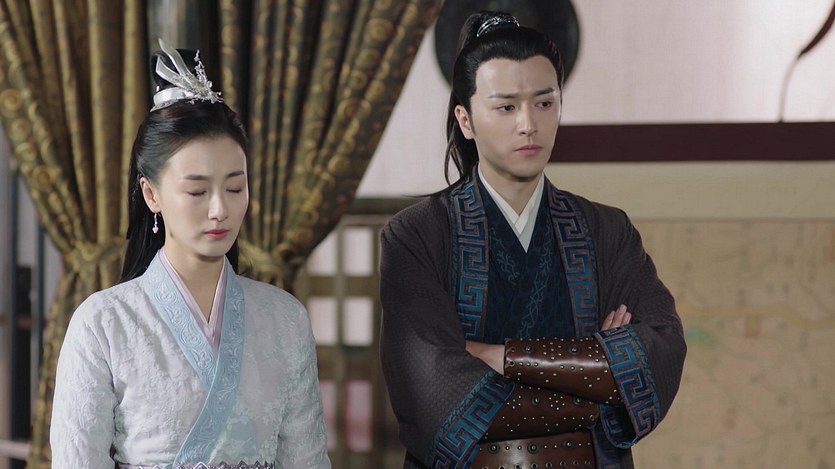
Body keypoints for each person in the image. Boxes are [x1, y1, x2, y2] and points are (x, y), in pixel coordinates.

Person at [379, 11, 686, 469]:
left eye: (544, 103)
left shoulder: (607, 230)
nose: (529, 124)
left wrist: (500, 357)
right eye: (506, 107)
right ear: (466, 119)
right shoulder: (417, 235)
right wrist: (597, 376)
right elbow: (432, 396)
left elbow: (660, 352)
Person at [50, 39, 331, 469]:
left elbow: (307, 461)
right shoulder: (103, 324)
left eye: (235, 187)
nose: (220, 209)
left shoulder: (285, 319)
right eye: (197, 191)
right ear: (151, 194)